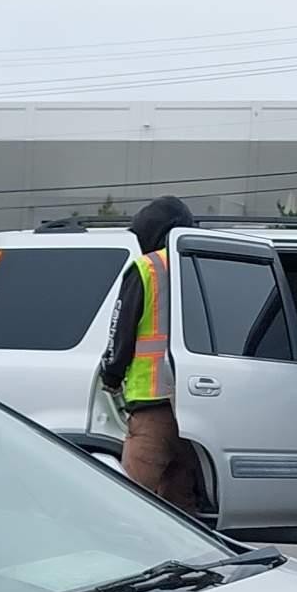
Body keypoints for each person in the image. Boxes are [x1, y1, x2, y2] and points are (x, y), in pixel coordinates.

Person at [100, 195, 199, 511]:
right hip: (203, 406)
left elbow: (122, 331)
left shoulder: (147, 268)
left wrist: (111, 375)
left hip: (153, 406)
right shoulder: (201, 265)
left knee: (132, 504)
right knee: (183, 508)